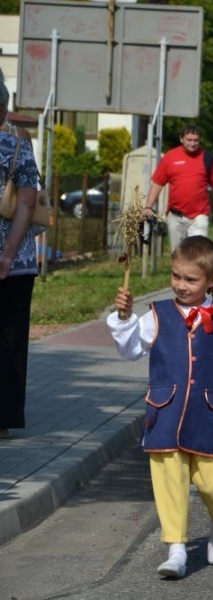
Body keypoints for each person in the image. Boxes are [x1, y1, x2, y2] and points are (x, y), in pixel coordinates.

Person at [107, 236, 213, 578]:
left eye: (191, 280)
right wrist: (123, 319)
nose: (181, 285)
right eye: (176, 276)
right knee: (169, 480)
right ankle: (175, 547)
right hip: (166, 412)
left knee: (212, 483)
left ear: (212, 280)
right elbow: (131, 349)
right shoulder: (157, 314)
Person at [0, 80, 40, 439]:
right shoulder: (18, 147)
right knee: (11, 338)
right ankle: (4, 417)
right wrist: (8, 256)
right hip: (19, 262)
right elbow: (27, 203)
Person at [144, 125, 213, 248]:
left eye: (196, 140)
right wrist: (148, 207)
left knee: (198, 253)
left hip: (199, 216)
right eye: (189, 140)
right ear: (181, 139)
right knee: (178, 255)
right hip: (176, 215)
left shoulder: (208, 158)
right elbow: (158, 183)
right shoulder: (170, 157)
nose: (192, 144)